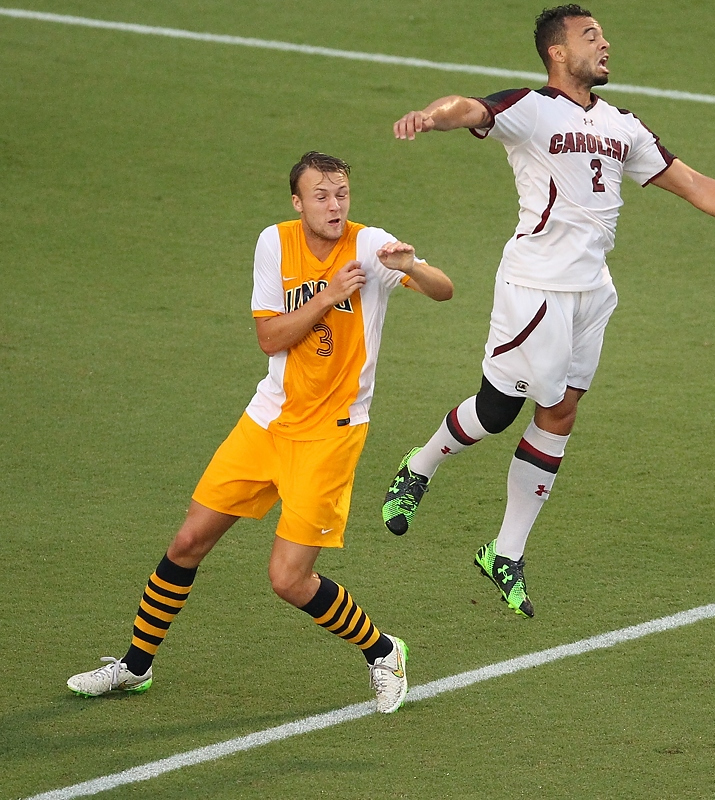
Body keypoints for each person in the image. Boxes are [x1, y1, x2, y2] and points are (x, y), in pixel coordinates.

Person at [382, 4, 715, 618]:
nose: (606, 43)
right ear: (557, 53)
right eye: (591, 36)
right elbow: (470, 108)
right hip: (535, 288)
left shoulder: (623, 125)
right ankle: (419, 465)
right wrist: (432, 118)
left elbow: (692, 183)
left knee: (560, 414)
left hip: (592, 292)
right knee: (497, 410)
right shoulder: (531, 109)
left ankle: (504, 553)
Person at [67, 151, 453, 713]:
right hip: (268, 419)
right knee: (187, 542)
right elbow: (271, 339)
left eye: (341, 193)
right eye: (320, 195)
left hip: (331, 434)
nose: (334, 204)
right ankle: (134, 666)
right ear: (297, 203)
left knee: (289, 579)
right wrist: (327, 296)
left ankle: (384, 651)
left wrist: (414, 266)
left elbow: (444, 290)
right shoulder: (274, 243)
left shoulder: (371, 247)